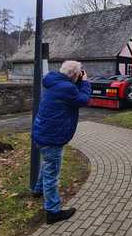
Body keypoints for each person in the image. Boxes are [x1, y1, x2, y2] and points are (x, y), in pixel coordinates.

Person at [31, 60, 92, 224]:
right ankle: (53, 211)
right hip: (52, 138)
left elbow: (73, 96)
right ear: (74, 75)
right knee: (52, 174)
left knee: (47, 164)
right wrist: (85, 82)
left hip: (42, 133)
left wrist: (78, 81)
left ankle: (38, 190)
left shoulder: (54, 82)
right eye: (79, 73)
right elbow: (84, 99)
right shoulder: (67, 88)